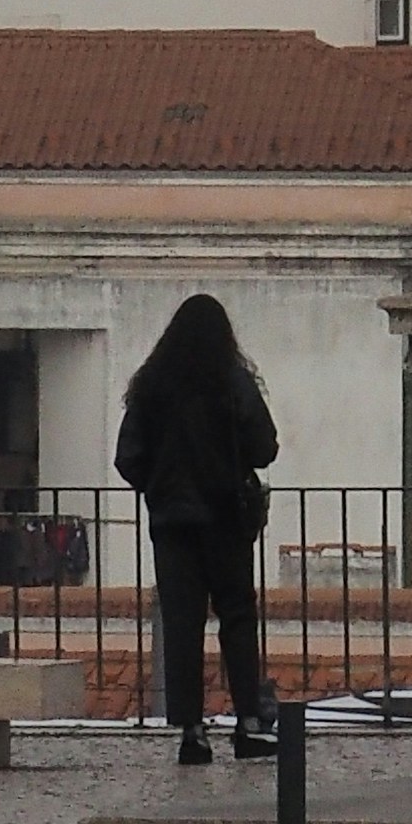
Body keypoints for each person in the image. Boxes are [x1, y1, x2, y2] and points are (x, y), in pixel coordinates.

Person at [114, 293, 280, 769]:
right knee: (237, 616)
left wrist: (159, 487)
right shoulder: (233, 382)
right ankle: (248, 721)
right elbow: (264, 447)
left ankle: (192, 731)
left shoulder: (153, 388)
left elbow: (128, 458)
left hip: (172, 525)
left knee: (183, 624)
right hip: (227, 517)